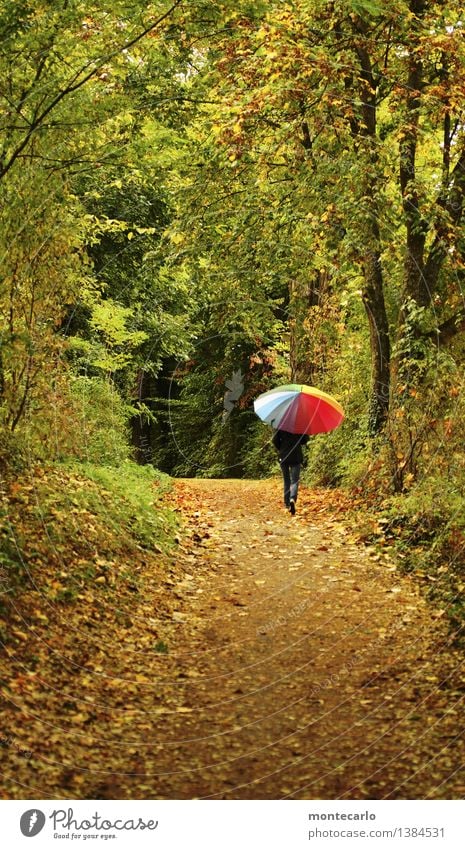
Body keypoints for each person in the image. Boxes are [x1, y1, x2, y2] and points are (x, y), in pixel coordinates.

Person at [272, 429, 309, 515]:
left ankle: (287, 503)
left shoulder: (282, 425)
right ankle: (292, 498)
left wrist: (281, 448)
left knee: (286, 480)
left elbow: (274, 440)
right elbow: (304, 440)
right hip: (296, 456)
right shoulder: (300, 426)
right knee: (294, 481)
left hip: (284, 456)